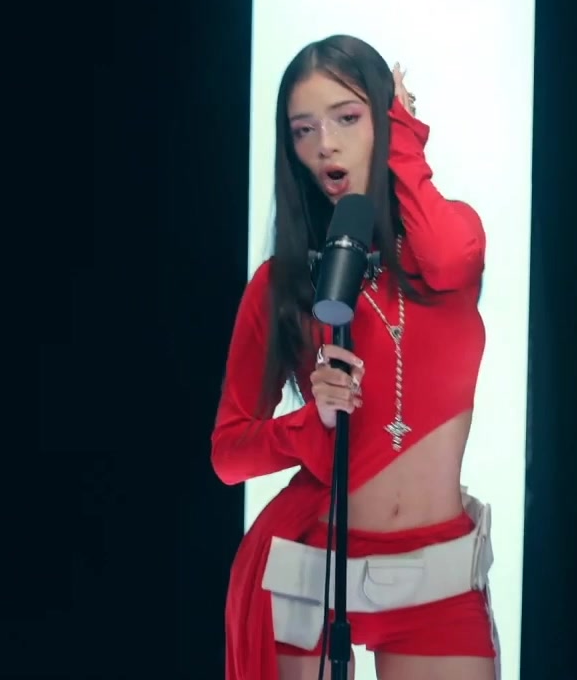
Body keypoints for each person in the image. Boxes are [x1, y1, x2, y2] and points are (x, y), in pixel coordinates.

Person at [211, 34, 498, 680]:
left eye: (347, 117)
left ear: (385, 121)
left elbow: (448, 257)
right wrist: (309, 424)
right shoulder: (281, 284)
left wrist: (405, 140)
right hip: (309, 567)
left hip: (437, 575)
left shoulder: (448, 251)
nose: (325, 145)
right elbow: (229, 455)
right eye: (303, 130)